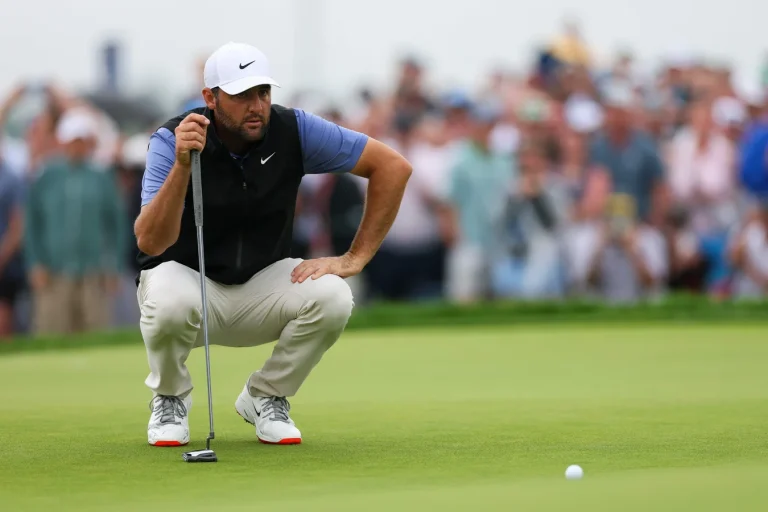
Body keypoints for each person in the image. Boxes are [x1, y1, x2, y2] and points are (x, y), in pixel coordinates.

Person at [134, 42, 411, 447]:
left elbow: (392, 167)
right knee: (169, 296)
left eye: (263, 92)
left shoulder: (292, 130)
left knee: (334, 294)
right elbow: (151, 241)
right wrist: (182, 166)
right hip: (191, 289)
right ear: (210, 98)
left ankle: (266, 395)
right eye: (242, 95)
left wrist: (355, 257)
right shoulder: (171, 139)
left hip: (262, 288)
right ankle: (171, 398)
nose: (257, 106)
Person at [24, 109, 127, 334]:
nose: (77, 146)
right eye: (73, 141)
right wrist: (35, 262)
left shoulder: (102, 177)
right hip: (54, 272)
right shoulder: (47, 175)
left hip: (93, 272)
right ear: (63, 141)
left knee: (95, 332)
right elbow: (32, 222)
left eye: (81, 141)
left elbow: (117, 225)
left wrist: (114, 266)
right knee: (51, 332)